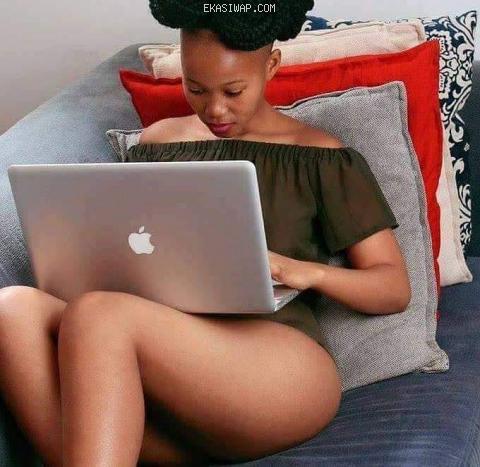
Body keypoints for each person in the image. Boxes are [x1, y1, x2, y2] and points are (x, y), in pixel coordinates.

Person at [0, 1, 412, 466]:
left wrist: (303, 272)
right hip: (162, 371)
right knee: (12, 309)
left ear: (271, 66)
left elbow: (392, 287)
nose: (215, 109)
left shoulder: (318, 155)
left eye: (233, 91)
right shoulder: (157, 144)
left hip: (276, 367)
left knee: (99, 314)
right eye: (195, 88)